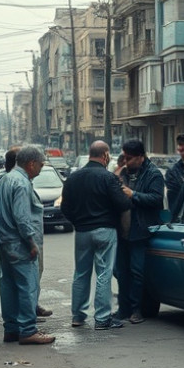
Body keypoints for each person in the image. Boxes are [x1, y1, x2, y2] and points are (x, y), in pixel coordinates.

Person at [61, 141, 131, 330]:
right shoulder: (108, 177)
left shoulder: (73, 178)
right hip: (105, 230)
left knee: (81, 273)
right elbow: (123, 204)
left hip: (82, 231)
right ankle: (102, 318)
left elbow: (64, 207)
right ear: (105, 155)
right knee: (104, 273)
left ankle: (78, 316)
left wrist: (78, 222)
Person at [0, 146, 54, 345]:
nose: (41, 170)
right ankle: (27, 330)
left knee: (9, 286)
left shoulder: (4, 180)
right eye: (41, 165)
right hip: (19, 243)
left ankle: (11, 329)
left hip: (5, 241)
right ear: (31, 164)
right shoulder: (21, 183)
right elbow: (22, 217)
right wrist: (31, 243)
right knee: (28, 286)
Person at [116, 140, 165, 324]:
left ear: (140, 157)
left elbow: (156, 199)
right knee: (121, 271)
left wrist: (133, 194)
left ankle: (137, 309)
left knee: (137, 271)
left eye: (129, 158)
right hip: (122, 230)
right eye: (124, 157)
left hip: (140, 230)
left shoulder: (153, 174)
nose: (126, 161)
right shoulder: (123, 172)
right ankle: (123, 309)